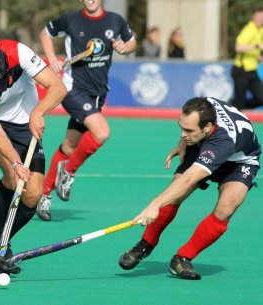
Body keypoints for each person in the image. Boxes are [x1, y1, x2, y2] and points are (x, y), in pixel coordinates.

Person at [0, 21, 67, 275]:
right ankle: (1, 248)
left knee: (33, 193)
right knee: (11, 172)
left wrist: (39, 112)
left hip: (25, 123)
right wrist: (17, 163)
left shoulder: (18, 53)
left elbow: (58, 87)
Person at [118, 97, 260, 280]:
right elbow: (190, 132)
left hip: (239, 162)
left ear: (208, 126)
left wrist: (154, 204)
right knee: (176, 194)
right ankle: (145, 244)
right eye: (181, 128)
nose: (183, 133)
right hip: (202, 143)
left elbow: (189, 179)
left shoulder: (224, 140)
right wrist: (182, 143)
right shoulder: (204, 106)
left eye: (188, 131)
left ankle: (182, 258)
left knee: (226, 208)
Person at [36, 0, 137, 221]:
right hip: (73, 90)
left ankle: (43, 194)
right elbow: (45, 33)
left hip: (98, 94)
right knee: (101, 132)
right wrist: (52, 59)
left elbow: (132, 43)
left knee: (69, 146)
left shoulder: (115, 20)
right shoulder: (71, 20)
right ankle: (68, 172)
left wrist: (125, 47)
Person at [231, 7, 263, 110]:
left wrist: (259, 57)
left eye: (262, 17)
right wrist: (257, 46)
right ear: (253, 17)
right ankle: (234, 107)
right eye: (258, 16)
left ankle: (232, 106)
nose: (260, 19)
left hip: (251, 71)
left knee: (261, 98)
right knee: (239, 103)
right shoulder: (249, 29)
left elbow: (251, 49)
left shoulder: (260, 30)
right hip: (241, 71)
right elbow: (238, 47)